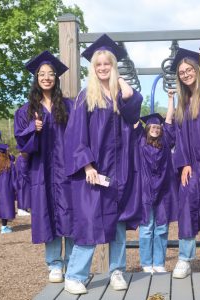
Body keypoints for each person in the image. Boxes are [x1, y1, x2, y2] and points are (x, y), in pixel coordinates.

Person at [63, 34, 143, 295]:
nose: (102, 68)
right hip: (95, 172)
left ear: (113, 65)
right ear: (93, 68)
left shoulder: (121, 93)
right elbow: (76, 135)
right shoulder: (87, 96)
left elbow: (134, 116)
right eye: (98, 65)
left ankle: (117, 271)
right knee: (90, 223)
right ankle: (75, 275)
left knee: (118, 223)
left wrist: (127, 91)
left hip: (120, 172)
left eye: (107, 63)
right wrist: (86, 165)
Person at [14, 51, 74, 283]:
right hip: (41, 170)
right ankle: (54, 265)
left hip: (66, 170)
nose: (47, 77)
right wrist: (32, 128)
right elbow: (22, 144)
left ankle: (72, 262)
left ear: (57, 78)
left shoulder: (68, 106)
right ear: (36, 78)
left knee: (69, 214)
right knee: (47, 214)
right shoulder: (25, 110)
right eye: (42, 74)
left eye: (51, 74)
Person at [168, 48, 200, 279]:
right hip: (191, 166)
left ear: (197, 70)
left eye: (189, 70)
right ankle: (185, 259)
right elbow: (180, 137)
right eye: (181, 72)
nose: (185, 74)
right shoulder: (184, 102)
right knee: (186, 210)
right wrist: (183, 163)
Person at [134, 107, 178, 274]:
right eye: (152, 127)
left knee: (161, 227)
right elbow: (134, 122)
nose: (155, 129)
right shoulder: (140, 142)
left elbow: (168, 122)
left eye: (158, 127)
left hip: (163, 192)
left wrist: (170, 99)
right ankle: (146, 263)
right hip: (145, 191)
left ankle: (159, 263)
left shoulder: (165, 143)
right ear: (147, 129)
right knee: (146, 228)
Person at [0, 143, 16, 234]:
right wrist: (16, 189)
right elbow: (14, 179)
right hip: (7, 190)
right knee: (6, 207)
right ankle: (4, 227)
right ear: (5, 153)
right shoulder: (10, 164)